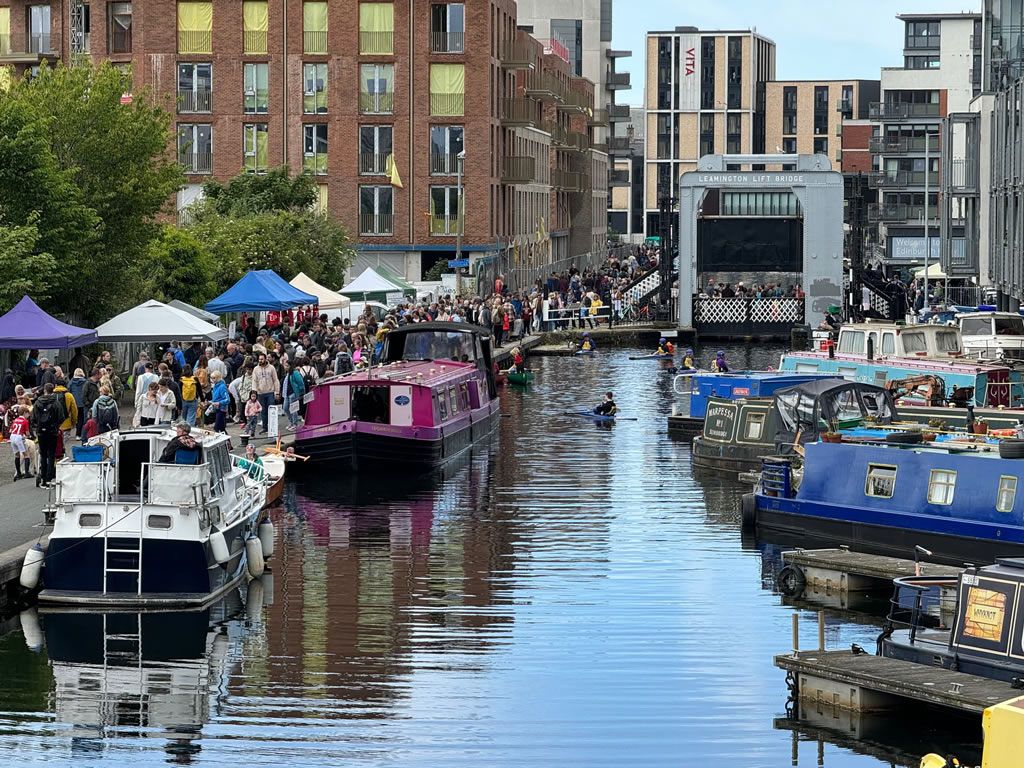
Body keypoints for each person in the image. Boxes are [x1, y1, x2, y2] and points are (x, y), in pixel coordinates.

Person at [32, 383, 62, 488]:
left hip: (41, 432)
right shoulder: (56, 402)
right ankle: (49, 478)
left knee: (43, 455)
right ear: (53, 390)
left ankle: (43, 479)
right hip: (52, 431)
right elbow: (61, 416)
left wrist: (36, 427)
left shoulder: (37, 402)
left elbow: (33, 418)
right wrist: (57, 426)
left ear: (44, 390)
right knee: (51, 455)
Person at [252, 354, 279, 434]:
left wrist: (277, 392)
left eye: (262, 359)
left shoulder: (271, 368)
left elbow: (275, 380)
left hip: (270, 392)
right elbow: (254, 380)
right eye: (259, 359)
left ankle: (273, 427)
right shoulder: (256, 369)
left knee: (271, 410)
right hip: (260, 393)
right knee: (263, 411)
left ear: (265, 359)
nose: (260, 361)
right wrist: (254, 392)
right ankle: (265, 427)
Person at [9, 405, 33, 481]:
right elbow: (27, 433)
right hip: (19, 438)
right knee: (26, 455)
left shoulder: (15, 420)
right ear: (25, 413)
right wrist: (28, 436)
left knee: (17, 455)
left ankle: (19, 473)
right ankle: (27, 472)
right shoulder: (25, 421)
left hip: (12, 436)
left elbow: (10, 430)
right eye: (28, 414)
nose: (28, 416)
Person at [281, 361, 305, 432]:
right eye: (285, 365)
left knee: (293, 409)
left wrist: (301, 392)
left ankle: (295, 424)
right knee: (285, 408)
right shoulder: (287, 374)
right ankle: (291, 422)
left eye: (287, 366)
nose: (285, 367)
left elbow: (300, 383)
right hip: (286, 394)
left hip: (293, 393)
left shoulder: (295, 373)